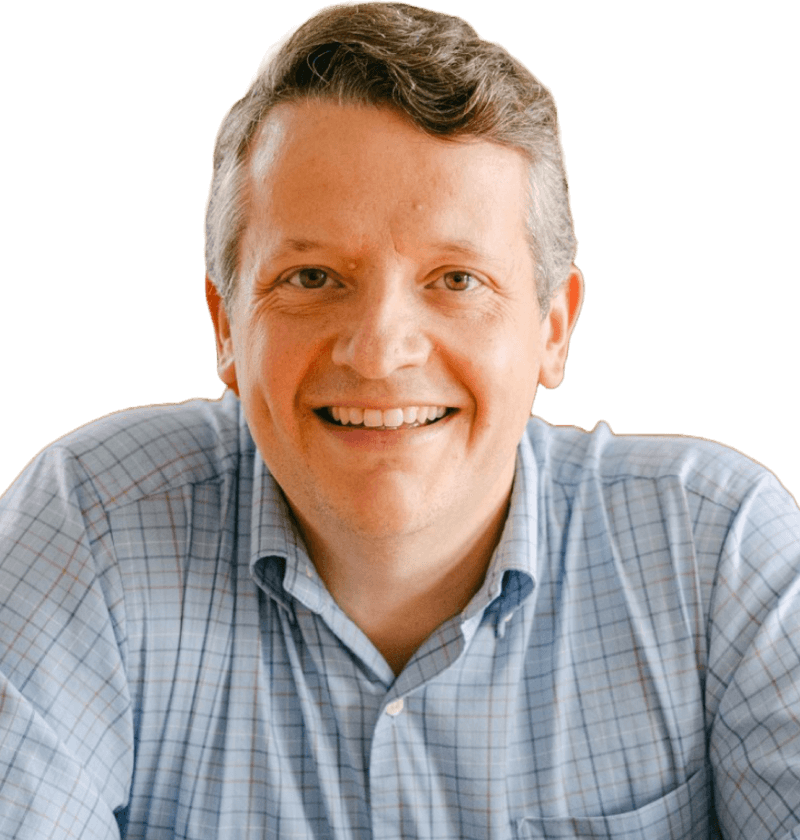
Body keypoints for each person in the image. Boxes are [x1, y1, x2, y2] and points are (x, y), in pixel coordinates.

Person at [1, 3, 797, 838]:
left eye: (456, 280)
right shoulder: (83, 531)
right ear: (226, 327)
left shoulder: (722, 555)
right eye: (311, 277)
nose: (379, 353)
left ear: (553, 328)